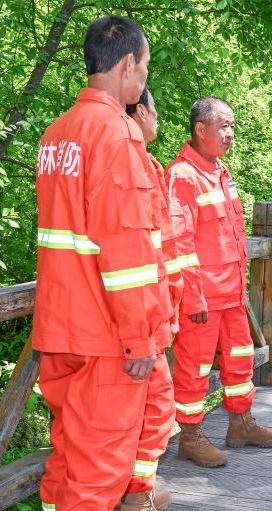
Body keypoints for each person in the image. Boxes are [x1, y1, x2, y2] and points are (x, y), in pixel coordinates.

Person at [33, 15, 175, 511]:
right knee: (98, 473)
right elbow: (125, 250)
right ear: (129, 63)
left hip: (60, 327)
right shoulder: (115, 133)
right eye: (145, 68)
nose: (144, 81)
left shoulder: (57, 133)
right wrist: (140, 335)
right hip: (105, 335)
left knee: (68, 456)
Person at [167, 97, 272, 468]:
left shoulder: (220, 171)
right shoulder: (182, 175)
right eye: (224, 126)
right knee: (194, 368)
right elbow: (179, 242)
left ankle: (240, 423)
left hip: (232, 293)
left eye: (233, 126)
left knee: (239, 359)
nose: (230, 134)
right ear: (201, 129)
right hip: (202, 297)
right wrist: (192, 295)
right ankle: (190, 435)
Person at [120, 85, 184, 509]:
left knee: (157, 406)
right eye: (155, 110)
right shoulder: (130, 162)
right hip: (138, 320)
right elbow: (132, 254)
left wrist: (172, 308)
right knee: (150, 407)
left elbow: (162, 250)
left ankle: (138, 492)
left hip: (153, 314)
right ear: (141, 112)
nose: (158, 118)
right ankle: (134, 497)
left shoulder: (150, 164)